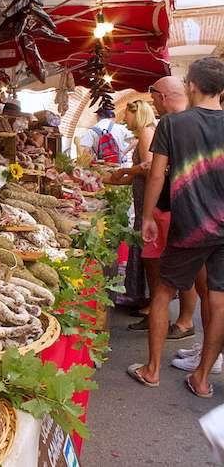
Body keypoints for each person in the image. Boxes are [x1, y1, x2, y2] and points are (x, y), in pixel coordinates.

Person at [129, 58, 224, 397]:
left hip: (190, 225)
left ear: (192, 85)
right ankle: (202, 379)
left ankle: (152, 370)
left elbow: (157, 174)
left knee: (163, 292)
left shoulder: (173, 124)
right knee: (218, 300)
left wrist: (148, 216)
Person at [106, 100, 157, 317]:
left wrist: (124, 171)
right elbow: (139, 174)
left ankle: (151, 302)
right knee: (143, 247)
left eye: (126, 115)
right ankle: (144, 298)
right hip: (142, 196)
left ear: (137, 114)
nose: (124, 119)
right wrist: (112, 180)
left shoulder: (146, 132)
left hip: (147, 199)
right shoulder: (145, 133)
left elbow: (147, 168)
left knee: (147, 249)